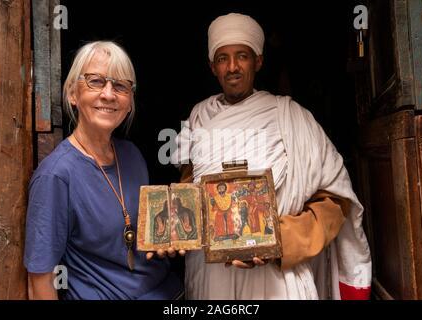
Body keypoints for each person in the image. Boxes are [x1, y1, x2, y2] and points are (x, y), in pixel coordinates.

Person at [172, 13, 372, 299]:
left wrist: (277, 241)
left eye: (242, 56)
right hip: (210, 279)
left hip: (279, 279)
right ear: (212, 67)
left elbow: (334, 203)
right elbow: (187, 192)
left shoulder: (292, 117)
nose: (232, 67)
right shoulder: (197, 119)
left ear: (258, 61)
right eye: (222, 58)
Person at [24, 41, 182, 300]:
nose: (109, 94)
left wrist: (167, 242)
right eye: (96, 81)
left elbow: (141, 237)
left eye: (120, 86)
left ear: (129, 102)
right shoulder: (56, 176)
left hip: (172, 292)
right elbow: (40, 279)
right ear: (73, 94)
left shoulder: (132, 155)